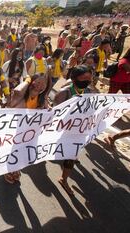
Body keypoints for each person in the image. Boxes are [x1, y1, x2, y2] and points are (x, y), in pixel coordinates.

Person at [53, 65, 93, 195]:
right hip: (62, 131)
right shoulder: (64, 93)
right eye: (83, 78)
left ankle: (63, 179)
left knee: (71, 156)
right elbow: (55, 115)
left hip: (77, 132)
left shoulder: (89, 92)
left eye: (89, 78)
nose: (87, 81)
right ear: (75, 79)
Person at [4, 73, 51, 184]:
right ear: (31, 82)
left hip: (30, 133)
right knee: (13, 150)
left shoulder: (42, 98)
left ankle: (16, 169)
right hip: (15, 129)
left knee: (23, 151)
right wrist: (28, 79)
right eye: (38, 82)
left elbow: (48, 112)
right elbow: (17, 91)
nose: (40, 85)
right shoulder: (21, 95)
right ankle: (8, 170)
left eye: (43, 83)